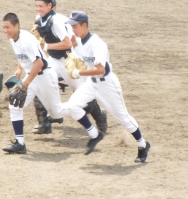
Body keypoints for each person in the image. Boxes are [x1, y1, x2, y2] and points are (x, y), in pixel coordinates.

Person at [63, 11, 150, 162]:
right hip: (92, 84)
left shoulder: (97, 44)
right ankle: (94, 135)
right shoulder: (78, 41)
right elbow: (78, 56)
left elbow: (100, 70)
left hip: (107, 85)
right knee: (73, 106)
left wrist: (79, 73)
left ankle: (143, 145)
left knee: (123, 118)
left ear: (84, 25)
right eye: (71, 26)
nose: (73, 30)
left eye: (75, 26)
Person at [32, 0, 106, 135]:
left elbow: (68, 44)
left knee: (82, 94)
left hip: (68, 60)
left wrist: (46, 46)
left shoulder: (57, 21)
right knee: (40, 82)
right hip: (54, 60)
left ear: (50, 6)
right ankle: (44, 123)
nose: (38, 9)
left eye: (41, 6)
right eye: (37, 6)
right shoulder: (39, 18)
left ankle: (100, 117)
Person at [0, 13, 68, 154]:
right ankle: (20, 144)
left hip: (45, 77)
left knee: (57, 113)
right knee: (15, 106)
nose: (5, 30)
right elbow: (23, 56)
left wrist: (24, 84)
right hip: (32, 77)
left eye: (8, 27)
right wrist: (19, 69)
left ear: (17, 26)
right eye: (3, 27)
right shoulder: (13, 39)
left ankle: (84, 104)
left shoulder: (26, 40)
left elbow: (39, 63)